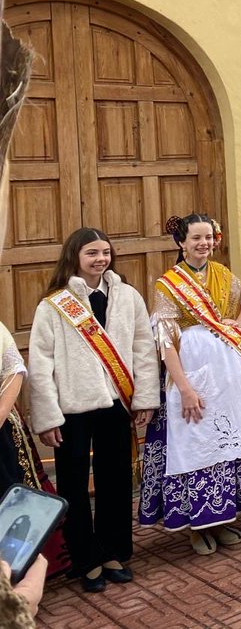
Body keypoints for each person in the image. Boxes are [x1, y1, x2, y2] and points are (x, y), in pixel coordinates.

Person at [139, 214, 241, 555]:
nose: (204, 243)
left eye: (209, 237)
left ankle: (224, 517)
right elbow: (166, 341)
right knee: (196, 443)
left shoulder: (222, 274)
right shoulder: (167, 285)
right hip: (191, 373)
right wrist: (185, 388)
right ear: (181, 243)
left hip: (227, 376)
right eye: (196, 238)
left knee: (228, 443)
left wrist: (238, 322)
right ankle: (197, 525)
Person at [27, 228, 158, 593]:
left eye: (105, 252)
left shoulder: (127, 296)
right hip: (72, 408)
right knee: (73, 483)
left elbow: (143, 349)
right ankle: (85, 559)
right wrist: (48, 416)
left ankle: (113, 551)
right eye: (92, 253)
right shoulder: (54, 305)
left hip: (117, 403)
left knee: (115, 479)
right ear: (75, 257)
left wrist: (144, 398)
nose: (101, 259)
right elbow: (40, 365)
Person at [0, 322, 68, 577]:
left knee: (10, 502)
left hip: (2, 434)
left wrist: (0, 413)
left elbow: (13, 368)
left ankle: (15, 575)